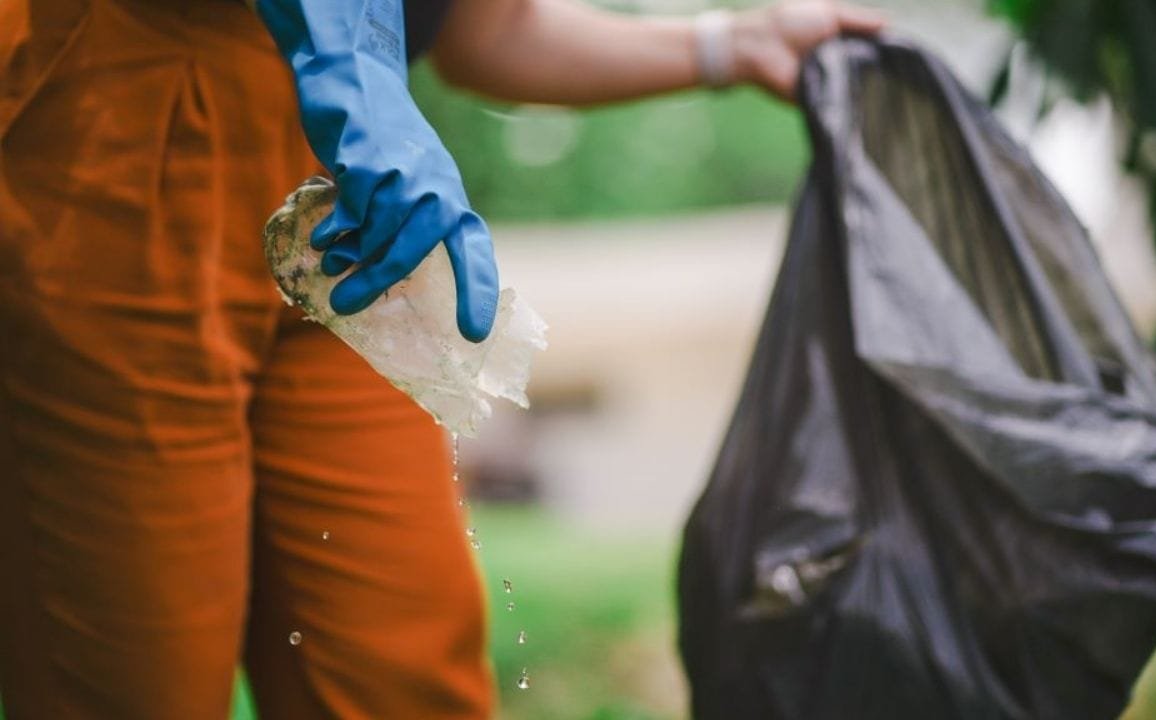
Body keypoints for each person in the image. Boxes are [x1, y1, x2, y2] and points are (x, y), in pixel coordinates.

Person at [0, 0, 881, 717]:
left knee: (397, 660)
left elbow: (480, 29)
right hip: (111, 125)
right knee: (132, 666)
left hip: (346, 199)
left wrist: (731, 43)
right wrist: (342, 49)